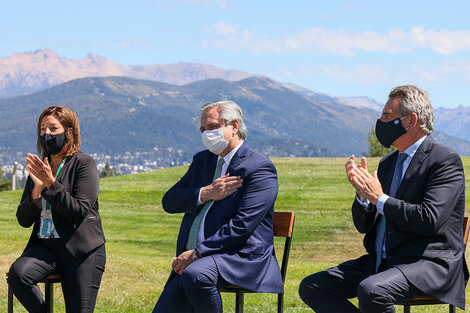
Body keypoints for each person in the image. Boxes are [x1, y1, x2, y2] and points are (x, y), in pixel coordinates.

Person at [299, 85, 468, 312]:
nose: (380, 121)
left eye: (387, 116)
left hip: (428, 264)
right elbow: (363, 226)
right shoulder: (388, 163)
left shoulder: (444, 160)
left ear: (411, 120)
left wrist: (379, 198)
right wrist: (363, 197)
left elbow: (429, 219)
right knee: (313, 286)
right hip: (383, 262)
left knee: (373, 291)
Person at [153, 100, 283, 313]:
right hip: (197, 258)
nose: (206, 134)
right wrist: (206, 193)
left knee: (196, 275)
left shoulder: (259, 167)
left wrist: (196, 253)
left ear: (234, 126)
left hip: (241, 257)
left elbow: (242, 226)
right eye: (203, 129)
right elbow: (169, 201)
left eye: (212, 127)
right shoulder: (202, 160)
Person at [7, 106, 106, 313]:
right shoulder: (40, 167)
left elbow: (78, 211)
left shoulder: (83, 164)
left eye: (53, 128)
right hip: (46, 248)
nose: (46, 134)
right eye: (42, 130)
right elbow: (23, 220)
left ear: (69, 131)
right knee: (19, 274)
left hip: (81, 251)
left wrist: (51, 184)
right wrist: (36, 190)